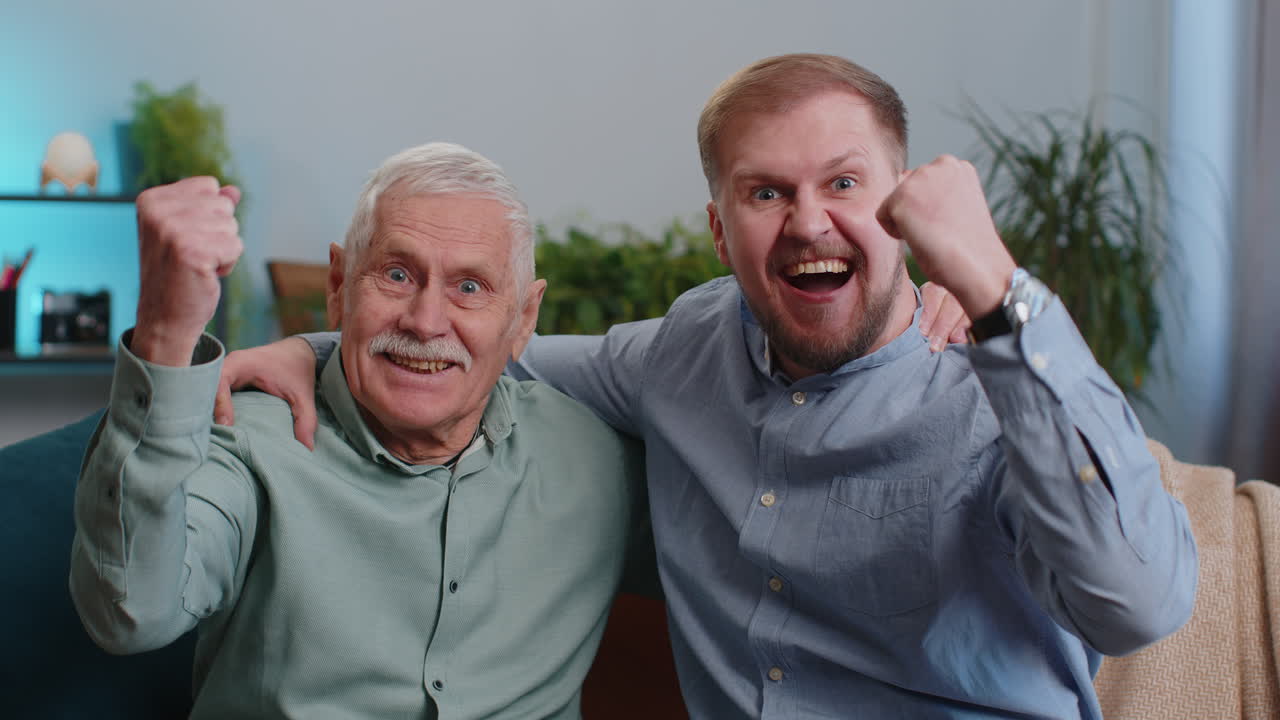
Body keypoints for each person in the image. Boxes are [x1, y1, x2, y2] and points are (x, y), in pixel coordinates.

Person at [220, 54, 1198, 718]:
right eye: (765, 192)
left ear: (904, 206)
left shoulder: (992, 381)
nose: (807, 221)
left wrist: (994, 292)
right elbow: (485, 348)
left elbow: (1134, 605)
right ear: (719, 229)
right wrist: (320, 347)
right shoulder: (686, 347)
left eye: (843, 184)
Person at [69, 143, 648, 719]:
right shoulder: (247, 438)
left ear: (524, 317)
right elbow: (130, 613)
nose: (425, 322)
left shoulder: (596, 458)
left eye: (469, 288)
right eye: (397, 275)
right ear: (339, 286)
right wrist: (168, 333)